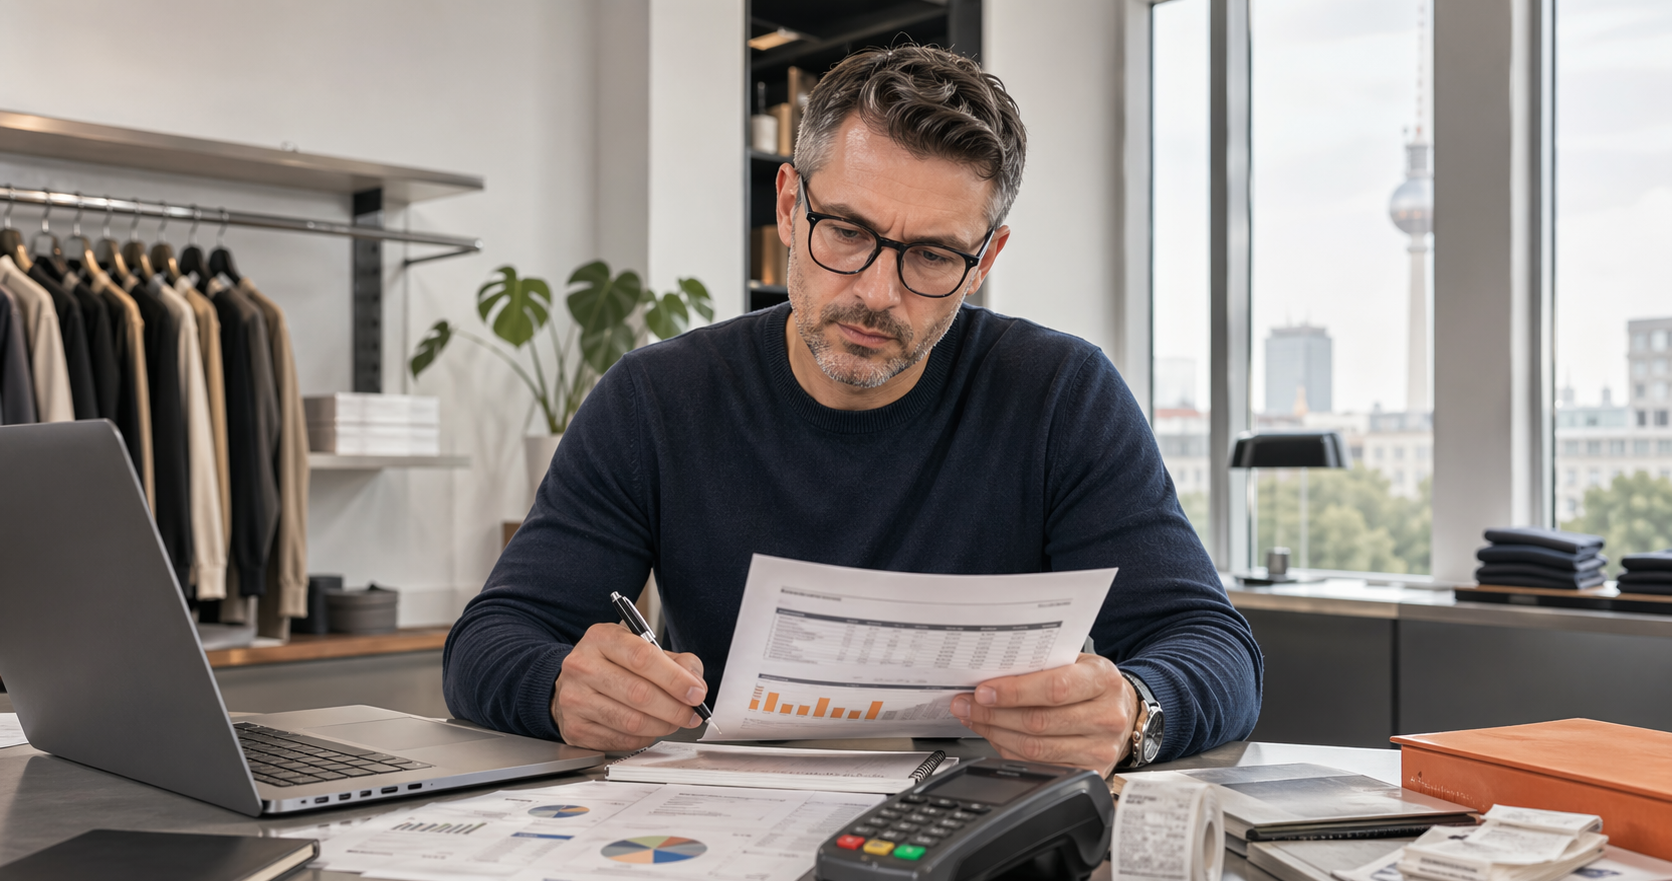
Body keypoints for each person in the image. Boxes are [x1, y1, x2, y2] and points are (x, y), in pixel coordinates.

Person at [444, 45, 1261, 775]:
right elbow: (490, 640)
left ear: (985, 261)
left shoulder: (1060, 395)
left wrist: (1137, 710)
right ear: (791, 206)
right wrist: (557, 687)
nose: (876, 292)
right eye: (845, 231)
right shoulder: (659, 398)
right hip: (723, 828)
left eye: (933, 256)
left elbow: (1214, 646)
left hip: (979, 825)